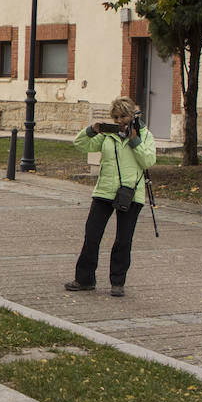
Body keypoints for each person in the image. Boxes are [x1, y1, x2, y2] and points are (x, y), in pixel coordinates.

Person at [65, 96, 156, 297]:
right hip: (104, 191)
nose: (120, 121)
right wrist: (92, 130)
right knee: (92, 235)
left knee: (123, 240)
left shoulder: (145, 136)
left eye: (123, 116)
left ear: (133, 115)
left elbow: (148, 161)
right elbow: (80, 144)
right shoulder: (108, 136)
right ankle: (84, 279)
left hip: (131, 193)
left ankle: (118, 282)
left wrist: (134, 141)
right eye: (116, 117)